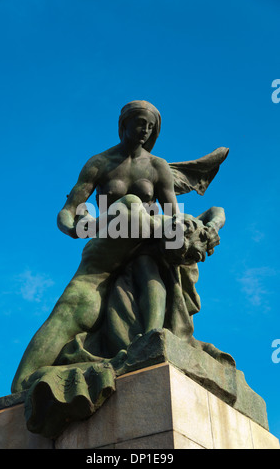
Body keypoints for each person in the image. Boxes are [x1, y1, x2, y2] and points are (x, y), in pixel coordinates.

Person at [11, 100, 228, 402]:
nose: (144, 130)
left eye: (150, 127)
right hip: (108, 246)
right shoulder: (99, 163)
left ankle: (150, 342)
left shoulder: (157, 166)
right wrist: (76, 227)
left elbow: (172, 213)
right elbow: (67, 212)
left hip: (147, 246)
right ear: (123, 124)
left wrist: (204, 228)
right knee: (58, 324)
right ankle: (46, 379)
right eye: (140, 122)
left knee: (148, 264)